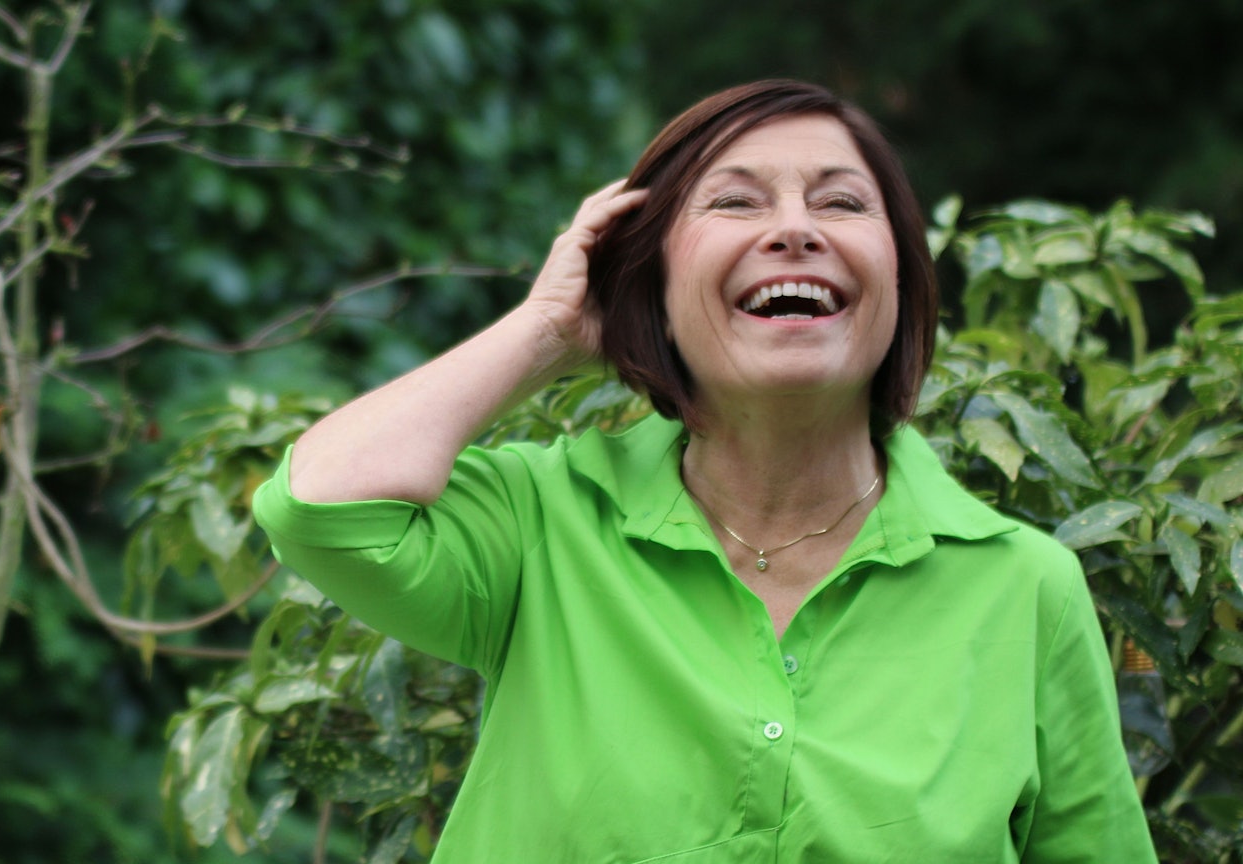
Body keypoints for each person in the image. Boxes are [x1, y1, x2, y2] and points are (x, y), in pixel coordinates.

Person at [251, 80, 1157, 863]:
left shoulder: (1025, 590)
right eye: (736, 202)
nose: (795, 229)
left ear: (899, 278)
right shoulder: (543, 521)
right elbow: (320, 505)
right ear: (650, 281)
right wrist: (547, 332)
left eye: (842, 203)